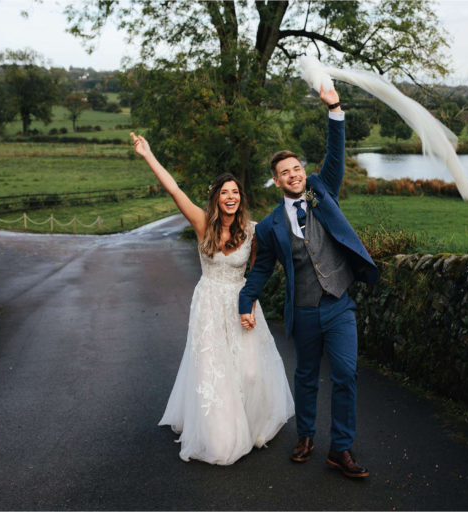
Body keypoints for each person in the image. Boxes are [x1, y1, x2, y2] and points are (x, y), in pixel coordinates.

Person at [238, 87, 379, 478]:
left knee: (346, 374)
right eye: (285, 172)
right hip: (303, 311)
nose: (294, 174)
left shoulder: (322, 190)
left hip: (338, 305)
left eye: (297, 168)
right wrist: (244, 301)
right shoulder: (268, 227)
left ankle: (342, 448)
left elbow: (335, 155)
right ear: (276, 180)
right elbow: (262, 269)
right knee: (304, 377)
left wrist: (334, 107)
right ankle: (305, 437)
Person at [130, 132, 294, 465]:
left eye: (235, 192)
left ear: (241, 197)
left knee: (248, 370)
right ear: (216, 198)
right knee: (213, 369)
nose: (230, 197)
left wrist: (249, 304)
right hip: (207, 303)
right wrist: (148, 155)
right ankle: (220, 433)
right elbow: (174, 189)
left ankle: (252, 421)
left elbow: (258, 271)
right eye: (224, 192)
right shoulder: (201, 222)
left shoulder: (253, 230)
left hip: (240, 304)